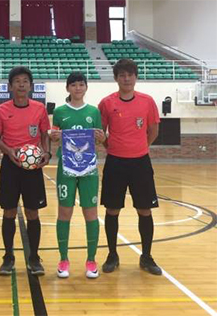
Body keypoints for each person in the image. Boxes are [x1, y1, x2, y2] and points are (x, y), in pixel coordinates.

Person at [99, 59, 162, 275]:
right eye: (122, 75)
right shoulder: (107, 103)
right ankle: (112, 255)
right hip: (115, 162)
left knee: (144, 210)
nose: (127, 78)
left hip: (140, 163)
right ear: (116, 78)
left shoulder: (147, 101)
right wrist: (113, 146)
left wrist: (141, 147)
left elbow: (153, 130)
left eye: (130, 74)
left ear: (136, 77)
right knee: (112, 210)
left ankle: (146, 256)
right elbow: (100, 133)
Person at [0, 66, 51, 276]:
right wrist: (9, 152)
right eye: (17, 81)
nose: (21, 84)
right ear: (10, 86)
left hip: (33, 167)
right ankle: (8, 257)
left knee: (32, 212)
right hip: (10, 165)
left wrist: (46, 152)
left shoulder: (39, 109)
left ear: (31, 85)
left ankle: (34, 257)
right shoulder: (1, 110)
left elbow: (45, 134)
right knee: (8, 212)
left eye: (25, 81)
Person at [50, 72, 106, 279]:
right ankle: (63, 259)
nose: (77, 88)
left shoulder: (94, 111)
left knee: (90, 214)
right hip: (66, 167)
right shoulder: (60, 112)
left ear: (86, 87)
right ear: (68, 88)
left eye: (81, 84)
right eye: (73, 85)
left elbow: (100, 138)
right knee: (64, 213)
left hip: (89, 169)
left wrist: (101, 137)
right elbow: (54, 135)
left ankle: (91, 260)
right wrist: (54, 136)